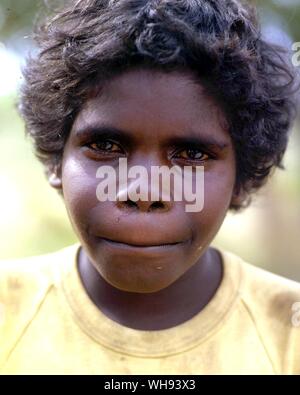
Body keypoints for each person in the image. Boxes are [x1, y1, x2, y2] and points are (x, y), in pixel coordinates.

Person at [0, 0, 299, 374]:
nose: (144, 191)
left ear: (240, 180)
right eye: (106, 147)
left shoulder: (288, 332)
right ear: (57, 161)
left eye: (191, 154)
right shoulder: (8, 314)